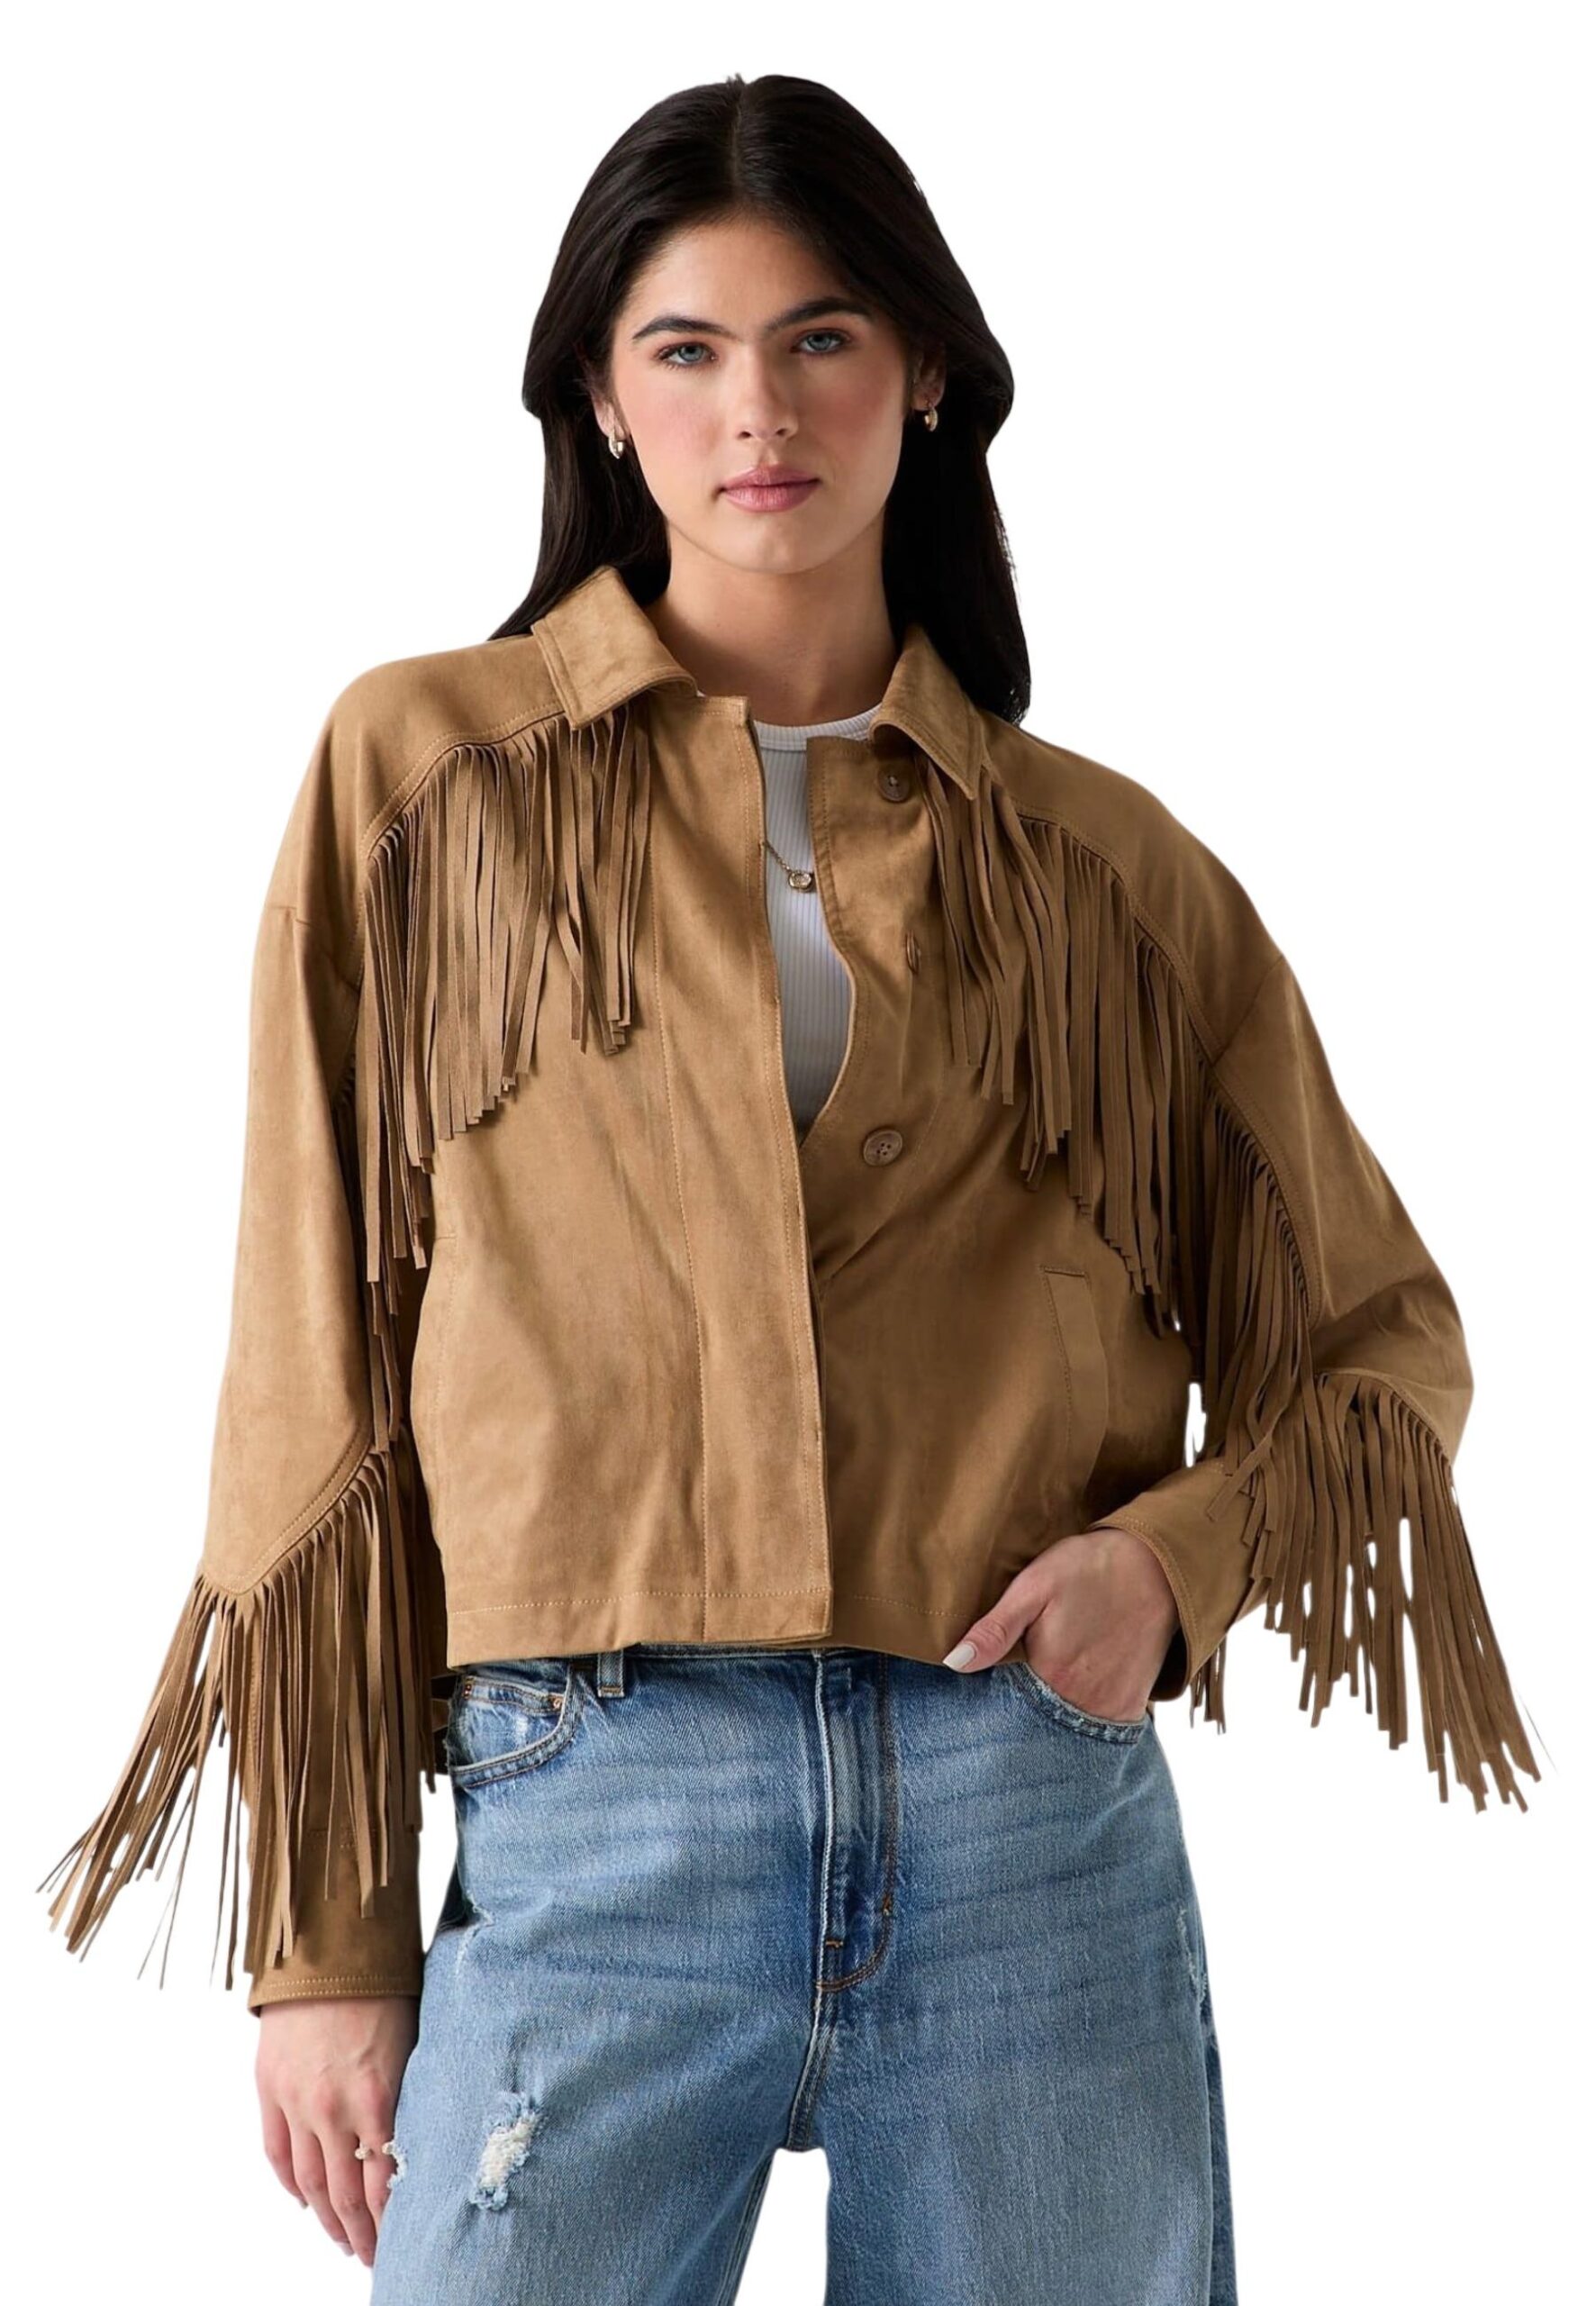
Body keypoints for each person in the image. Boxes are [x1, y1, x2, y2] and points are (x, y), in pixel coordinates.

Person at [41, 71, 1536, 2303]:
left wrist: (1169, 1564)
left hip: (1025, 1804)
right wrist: (322, 1939)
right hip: (592, 1790)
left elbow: (1379, 1343)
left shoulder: (1104, 871)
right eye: (688, 347)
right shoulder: (421, 784)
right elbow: (308, 1368)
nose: (761, 408)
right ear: (598, 396)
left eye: (822, 336)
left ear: (923, 372)